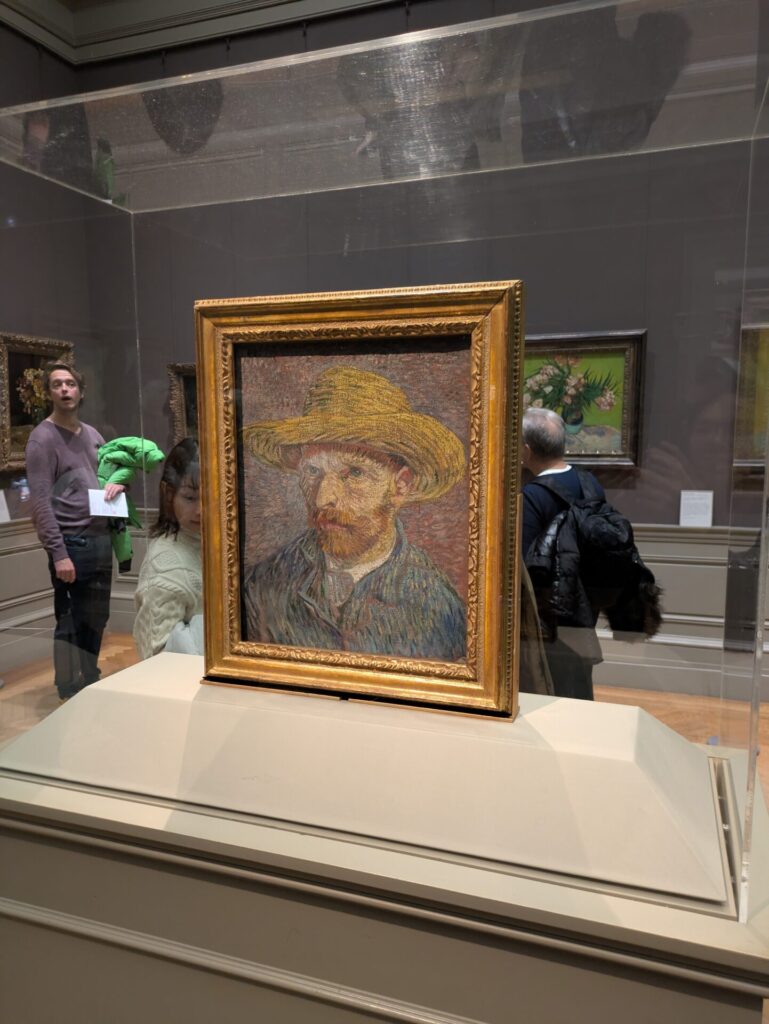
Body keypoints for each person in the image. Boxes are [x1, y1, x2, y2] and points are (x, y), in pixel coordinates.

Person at [243, 367, 467, 661]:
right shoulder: (263, 584)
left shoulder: (437, 608)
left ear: (401, 485)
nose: (323, 498)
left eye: (354, 473)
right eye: (313, 471)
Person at [26, 362, 124, 701]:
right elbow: (40, 503)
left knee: (96, 617)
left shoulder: (93, 435)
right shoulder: (42, 439)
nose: (64, 389)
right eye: (57, 384)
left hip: (100, 538)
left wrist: (118, 485)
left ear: (81, 392)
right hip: (71, 542)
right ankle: (68, 689)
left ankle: (90, 678)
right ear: (49, 393)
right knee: (70, 620)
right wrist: (59, 554)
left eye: (70, 383)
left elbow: (112, 474)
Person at [521, 407, 605, 699]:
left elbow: (525, 565)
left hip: (552, 610)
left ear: (526, 451)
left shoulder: (533, 496)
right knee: (579, 680)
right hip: (587, 602)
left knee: (553, 685)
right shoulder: (590, 482)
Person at [133, 438, 203, 659]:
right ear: (169, 494)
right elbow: (157, 656)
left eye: (211, 497)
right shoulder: (163, 565)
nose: (200, 510)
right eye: (190, 498)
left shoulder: (210, 543)